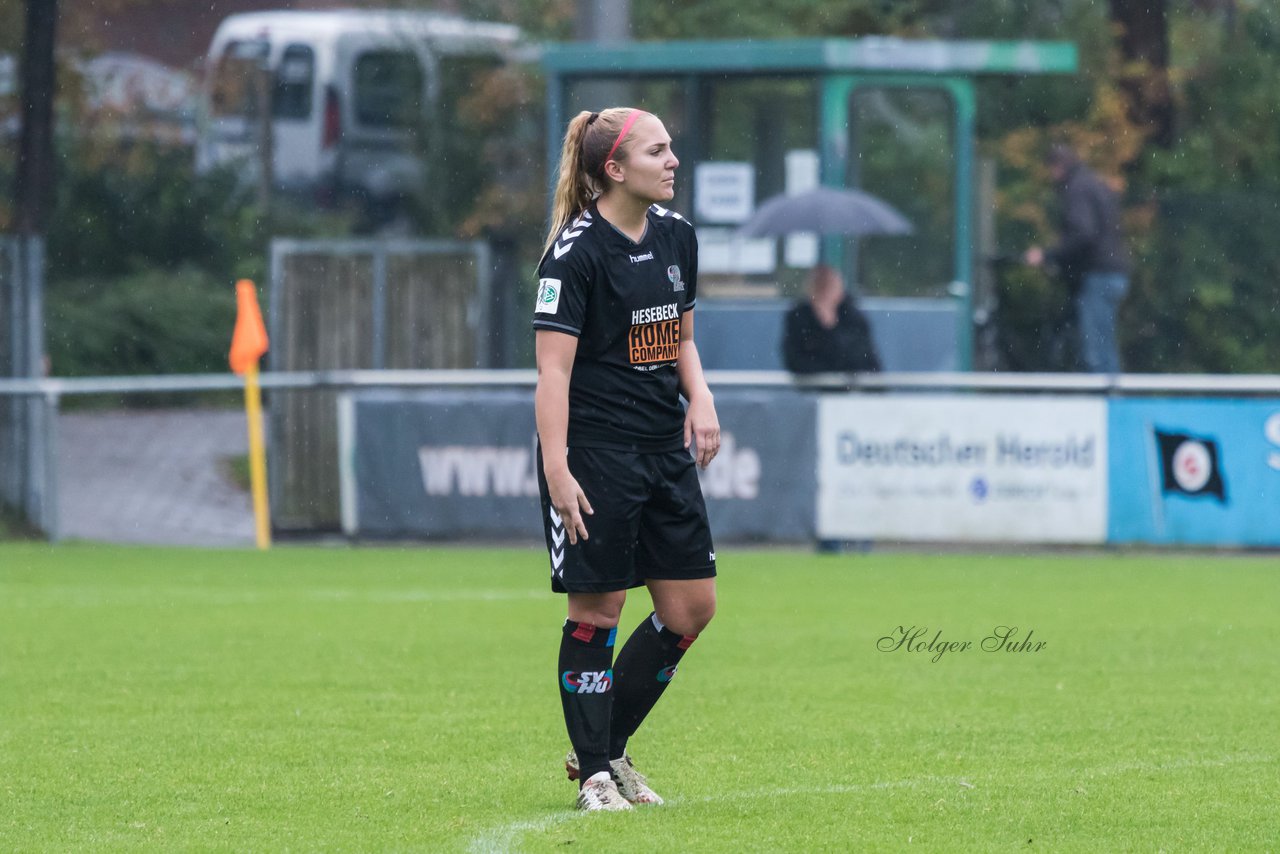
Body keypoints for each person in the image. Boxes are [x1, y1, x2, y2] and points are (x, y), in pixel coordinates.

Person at [532, 107, 721, 812]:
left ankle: (601, 751)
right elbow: (552, 374)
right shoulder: (574, 252)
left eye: (673, 147)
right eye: (658, 150)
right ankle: (596, 777)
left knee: (690, 609)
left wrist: (699, 398)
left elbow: (680, 337)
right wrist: (558, 468)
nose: (674, 160)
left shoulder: (678, 236)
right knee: (600, 608)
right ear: (614, 169)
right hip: (595, 451)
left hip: (660, 448)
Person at [1024, 143, 1131, 374]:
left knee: (1095, 351)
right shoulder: (1093, 184)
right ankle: (1112, 398)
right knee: (1104, 344)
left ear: (1058, 167)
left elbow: (1083, 234)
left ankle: (1107, 403)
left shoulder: (1077, 188)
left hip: (1099, 274)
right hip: (1113, 272)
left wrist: (1048, 255)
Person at [781, 264, 882, 374]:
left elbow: (864, 359)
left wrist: (831, 327)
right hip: (811, 388)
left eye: (830, 288)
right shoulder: (799, 317)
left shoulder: (853, 317)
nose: (826, 296)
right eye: (821, 290)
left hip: (850, 388)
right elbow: (794, 359)